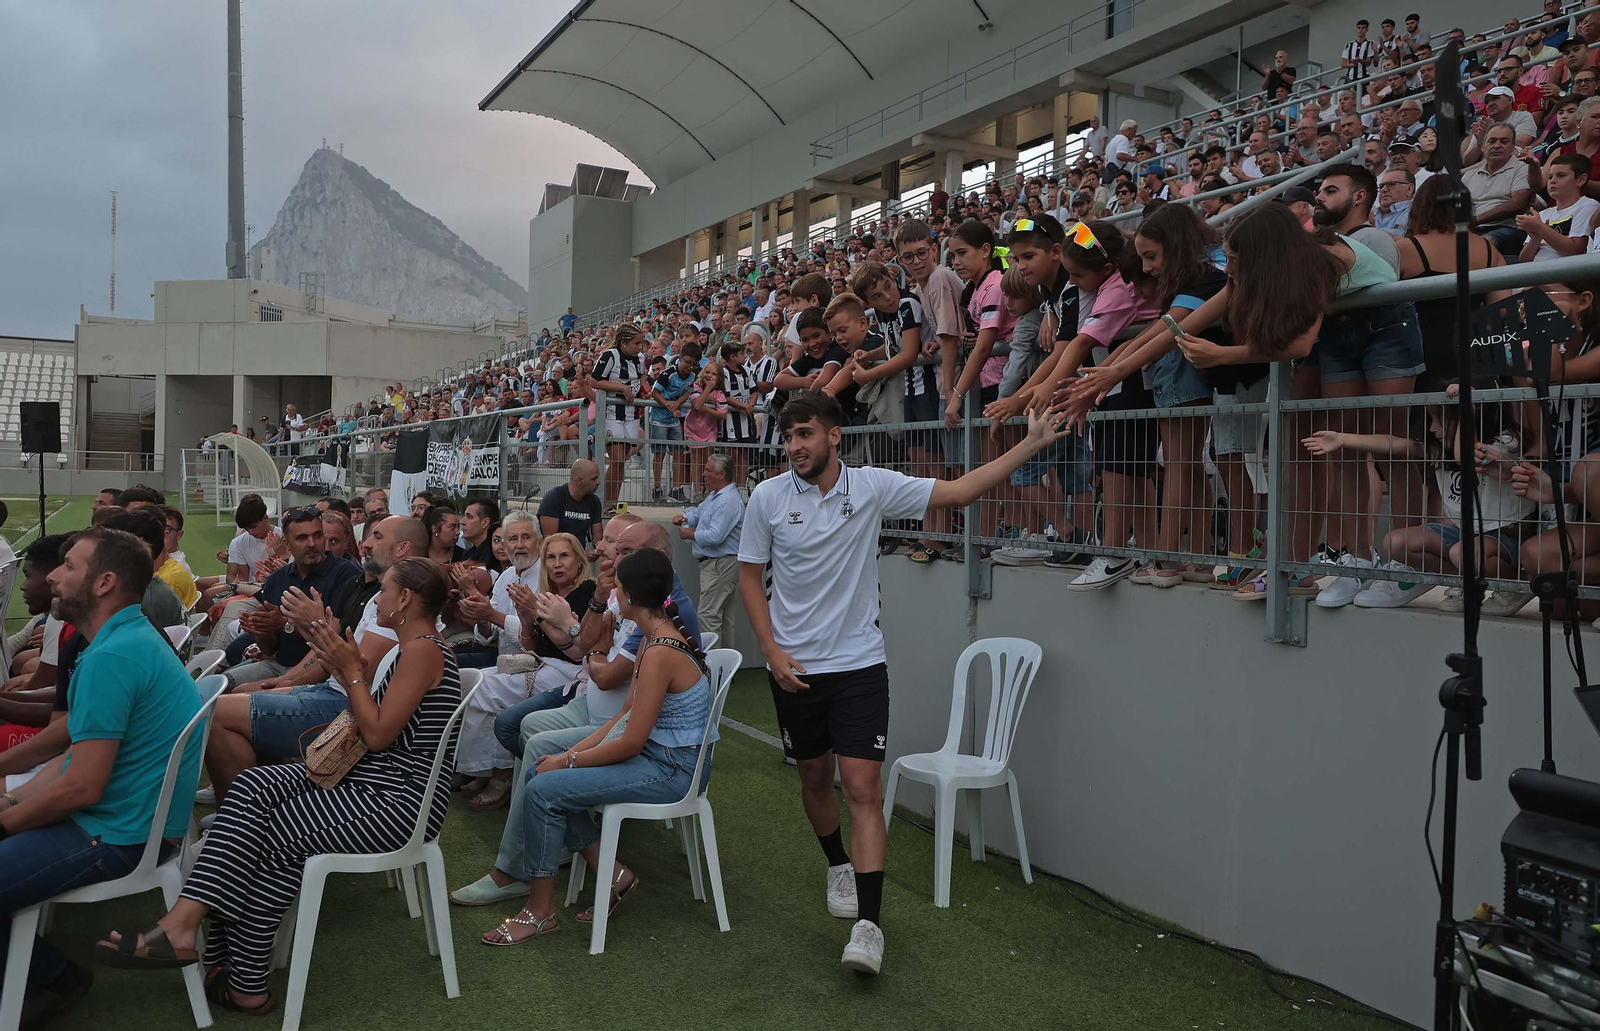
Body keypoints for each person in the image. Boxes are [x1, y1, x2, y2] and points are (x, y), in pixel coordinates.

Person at [737, 390, 1070, 975]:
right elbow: (748, 574)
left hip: (861, 665)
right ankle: (837, 863)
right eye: (788, 436)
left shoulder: (870, 486)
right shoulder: (767, 498)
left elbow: (961, 491)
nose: (794, 447)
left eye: (805, 434)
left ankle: (869, 926)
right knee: (816, 779)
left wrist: (1032, 442)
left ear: (834, 435)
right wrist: (769, 649)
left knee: (861, 787)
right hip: (793, 670)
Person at [98, 558, 460, 1016]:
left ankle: (240, 977)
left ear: (405, 599)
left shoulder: (423, 649)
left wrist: (351, 672)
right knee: (251, 787)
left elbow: (378, 735)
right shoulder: (413, 648)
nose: (377, 599)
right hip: (367, 783)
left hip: (394, 802)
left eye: (384, 591)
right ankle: (192, 933)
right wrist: (343, 664)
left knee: (278, 829)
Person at [1, 528, 202, 1022]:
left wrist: (6, 820)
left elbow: (81, 786)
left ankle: (50, 977)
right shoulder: (124, 637)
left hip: (116, 836)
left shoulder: (113, 653)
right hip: (123, 824)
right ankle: (45, 974)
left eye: (68, 566)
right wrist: (11, 797)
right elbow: (73, 743)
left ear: (103, 582)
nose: (52, 575)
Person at [449, 514, 700, 909]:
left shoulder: (660, 642)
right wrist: (567, 759)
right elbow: (610, 691)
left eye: (623, 556)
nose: (611, 561)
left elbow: (627, 727)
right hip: (636, 737)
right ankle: (599, 872)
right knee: (538, 765)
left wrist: (569, 760)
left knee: (543, 781)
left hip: (663, 761)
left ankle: (529, 893)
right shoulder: (652, 629)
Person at [201, 515, 428, 807]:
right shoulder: (380, 595)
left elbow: (355, 670)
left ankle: (240, 819)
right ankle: (257, 811)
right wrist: (286, 680)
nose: (365, 544)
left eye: (377, 537)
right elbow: (329, 657)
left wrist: (313, 624)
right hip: (333, 694)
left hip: (348, 709)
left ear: (402, 548)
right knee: (242, 696)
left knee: (218, 712)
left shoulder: (400, 603)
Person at [454, 511, 547, 809]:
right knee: (466, 683)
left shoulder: (547, 573)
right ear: (503, 545)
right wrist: (479, 615)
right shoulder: (508, 575)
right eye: (512, 539)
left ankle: (502, 774)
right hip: (509, 662)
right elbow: (488, 633)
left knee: (482, 688)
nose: (519, 545)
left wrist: (489, 615)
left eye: (525, 537)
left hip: (540, 664)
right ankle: (481, 768)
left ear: (539, 541)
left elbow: (539, 629)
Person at [225, 508, 361, 688]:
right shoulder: (277, 579)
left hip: (320, 673)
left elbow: (335, 640)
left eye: (317, 535)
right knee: (220, 684)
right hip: (276, 665)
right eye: (302, 538)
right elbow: (269, 650)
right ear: (287, 545)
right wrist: (261, 631)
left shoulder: (346, 575)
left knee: (236, 696)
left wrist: (285, 624)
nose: (312, 543)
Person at [673, 453, 744, 648]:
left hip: (721, 564)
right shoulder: (716, 496)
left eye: (708, 471)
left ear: (721, 475)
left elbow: (715, 536)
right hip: (720, 563)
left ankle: (711, 667)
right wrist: (685, 517)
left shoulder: (728, 500)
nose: (704, 474)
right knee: (723, 616)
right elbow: (700, 512)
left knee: (708, 615)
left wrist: (690, 534)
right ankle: (726, 668)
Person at [592, 324, 647, 510]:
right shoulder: (610, 356)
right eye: (636, 343)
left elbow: (641, 378)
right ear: (624, 343)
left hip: (631, 414)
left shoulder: (639, 359)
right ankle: (606, 503)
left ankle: (613, 503)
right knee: (616, 459)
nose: (640, 347)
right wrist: (622, 388)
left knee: (622, 461)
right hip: (612, 413)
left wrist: (642, 390)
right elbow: (595, 381)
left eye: (641, 342)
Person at [1465, 123, 1536, 256]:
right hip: (1474, 229)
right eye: (1492, 141)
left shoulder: (1522, 168)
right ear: (1483, 147)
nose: (1497, 146)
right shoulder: (1469, 176)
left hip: (1509, 228)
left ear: (1513, 148)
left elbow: (1518, 204)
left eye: (1504, 141)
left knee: (1483, 244)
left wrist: (1477, 219)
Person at [1519, 153, 1600, 262]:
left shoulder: (1587, 206)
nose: (1552, 181)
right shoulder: (1543, 214)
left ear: (1581, 180)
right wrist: (1535, 238)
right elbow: (1523, 261)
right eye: (1550, 177)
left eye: (1561, 175)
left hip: (1563, 274)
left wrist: (1541, 228)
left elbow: (1575, 250)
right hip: (1534, 274)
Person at [538, 459, 604, 553]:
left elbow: (597, 536)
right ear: (579, 480)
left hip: (579, 560)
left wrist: (600, 546)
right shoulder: (554, 498)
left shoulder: (594, 501)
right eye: (594, 479)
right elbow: (551, 541)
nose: (598, 482)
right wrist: (581, 555)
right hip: (556, 558)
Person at [453, 499, 503, 571]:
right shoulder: (467, 554)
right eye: (464, 516)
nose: (462, 522)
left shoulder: (497, 554)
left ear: (485, 522)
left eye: (469, 517)